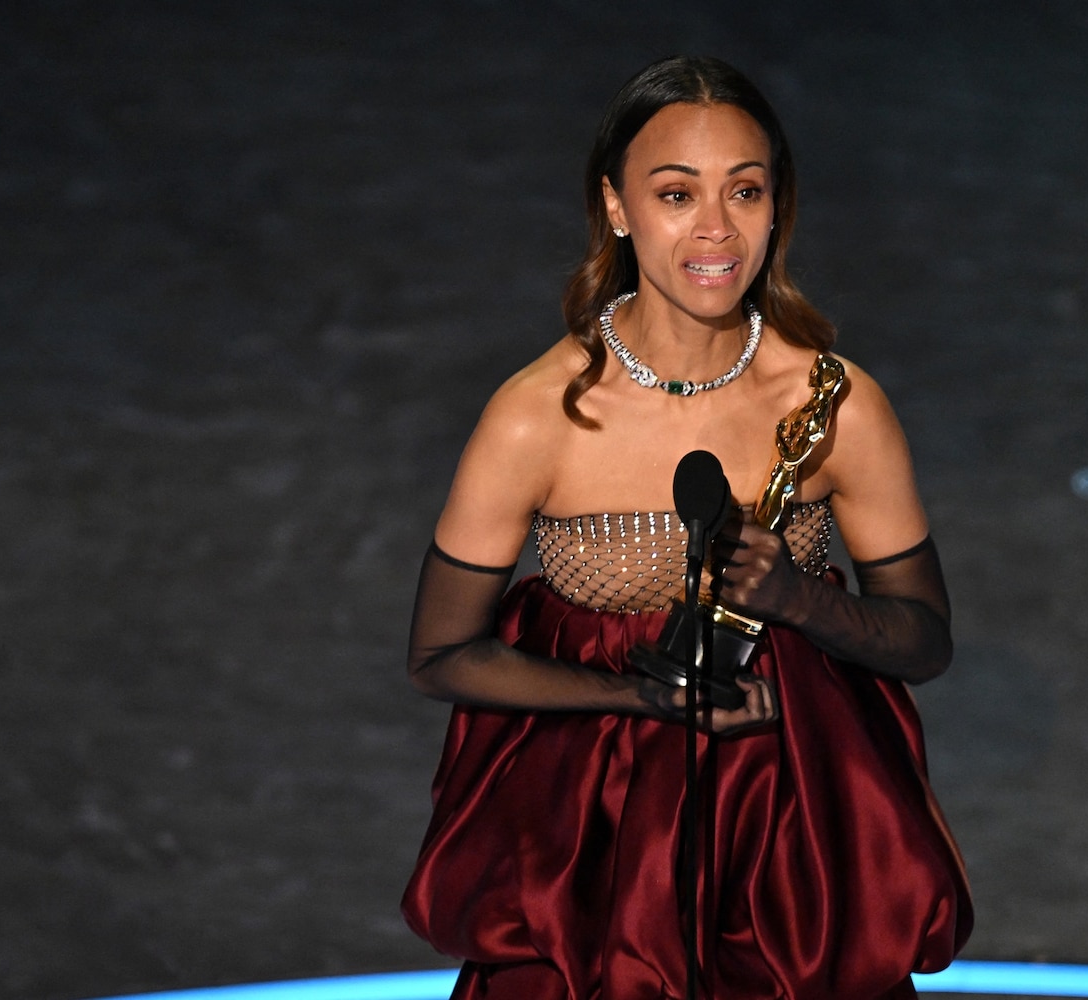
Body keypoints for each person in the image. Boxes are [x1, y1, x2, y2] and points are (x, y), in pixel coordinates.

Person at [401, 55, 971, 1000]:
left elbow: (924, 639)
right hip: (593, 853)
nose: (715, 229)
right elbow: (441, 653)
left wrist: (793, 597)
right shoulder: (537, 416)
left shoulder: (835, 405)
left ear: (776, 206)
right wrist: (635, 698)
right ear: (617, 208)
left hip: (790, 847)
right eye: (676, 194)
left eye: (744, 191)